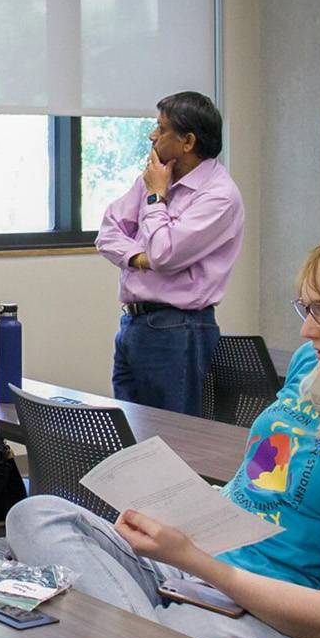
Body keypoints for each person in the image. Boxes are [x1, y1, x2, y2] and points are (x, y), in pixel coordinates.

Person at [7, 226, 320, 638]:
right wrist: (192, 518)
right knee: (35, 515)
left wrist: (198, 563)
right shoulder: (314, 362)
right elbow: (267, 478)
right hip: (199, 560)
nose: (307, 329)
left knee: (154, 637)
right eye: (307, 307)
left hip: (269, 621)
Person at [94, 92, 243, 416]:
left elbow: (164, 254)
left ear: (187, 141)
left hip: (178, 329)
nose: (152, 135)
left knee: (174, 439)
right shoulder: (155, 179)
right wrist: (137, 258)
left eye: (160, 129)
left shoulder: (218, 196)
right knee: (131, 434)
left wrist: (155, 198)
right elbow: (107, 233)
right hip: (134, 323)